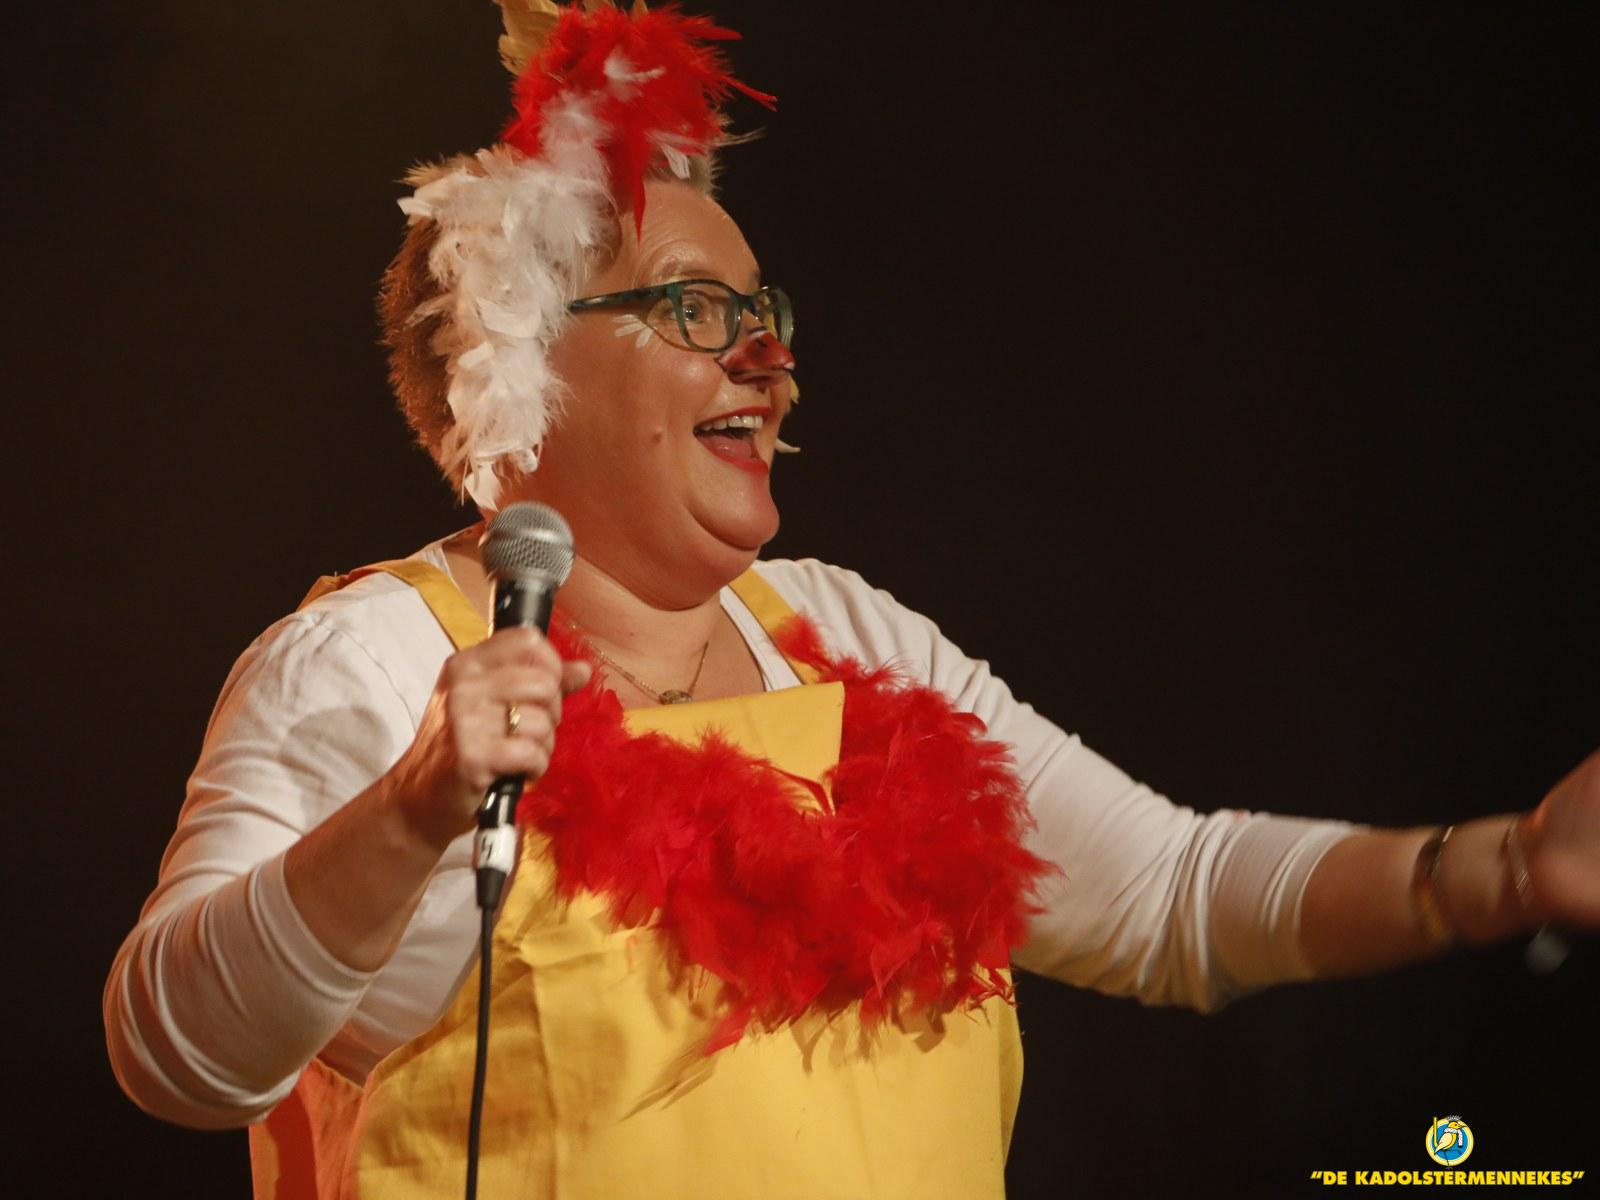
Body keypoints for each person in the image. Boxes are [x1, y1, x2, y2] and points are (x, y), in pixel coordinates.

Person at [103, 4, 1600, 1198]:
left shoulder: (845, 637)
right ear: (523, 365)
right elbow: (175, 1057)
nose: (768, 358)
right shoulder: (367, 663)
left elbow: (1171, 895)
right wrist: (414, 806)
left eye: (765, 315)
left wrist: (1513, 868)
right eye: (698, 311)